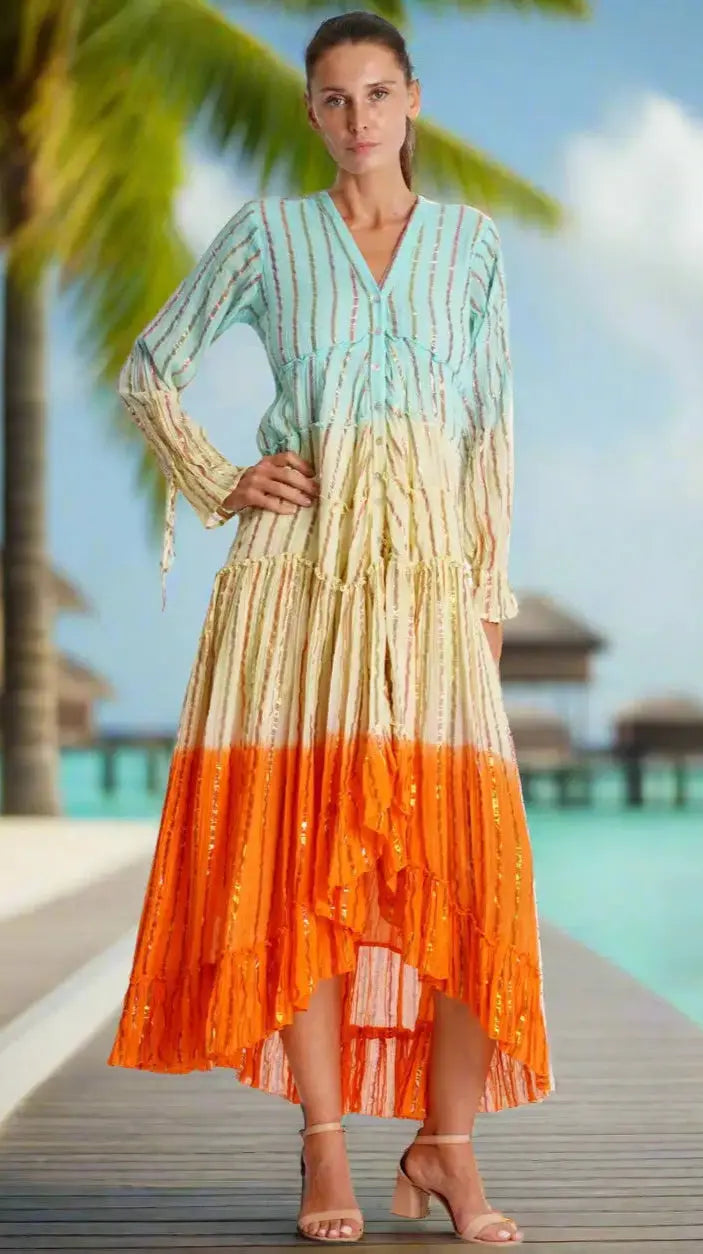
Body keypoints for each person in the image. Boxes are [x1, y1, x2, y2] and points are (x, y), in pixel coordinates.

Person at [107, 8, 554, 1247]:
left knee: (469, 869)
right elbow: (149, 370)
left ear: (414, 101)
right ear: (311, 113)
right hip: (294, 589)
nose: (358, 119)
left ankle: (446, 1146)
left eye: (377, 93)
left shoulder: (470, 246)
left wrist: (488, 601)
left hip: (427, 596)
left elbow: (490, 437)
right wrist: (222, 479)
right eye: (334, 99)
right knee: (300, 863)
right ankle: (322, 1150)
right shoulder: (268, 236)